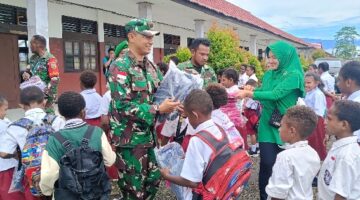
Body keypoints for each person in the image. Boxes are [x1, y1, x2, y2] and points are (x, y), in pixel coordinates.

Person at [107, 18, 180, 199]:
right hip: (130, 142)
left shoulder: (151, 66)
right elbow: (123, 105)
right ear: (131, 37)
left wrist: (175, 105)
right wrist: (158, 109)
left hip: (150, 139)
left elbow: (160, 94)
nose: (150, 40)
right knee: (133, 191)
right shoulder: (120, 66)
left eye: (152, 36)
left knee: (152, 184)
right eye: (146, 36)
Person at [236, 41, 305, 200]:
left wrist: (250, 94)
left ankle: (284, 195)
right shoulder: (268, 74)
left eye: (275, 57)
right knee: (267, 163)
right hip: (267, 123)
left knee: (286, 165)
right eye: (269, 57)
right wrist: (251, 90)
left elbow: (275, 94)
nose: (270, 61)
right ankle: (264, 196)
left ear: (285, 57)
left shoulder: (294, 75)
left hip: (286, 125)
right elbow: (264, 92)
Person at [39, 91, 116, 198]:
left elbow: (49, 175)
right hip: (95, 194)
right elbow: (110, 161)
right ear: (83, 111)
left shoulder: (54, 139)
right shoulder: (97, 132)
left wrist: (46, 191)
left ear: (60, 113)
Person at [159, 89, 227, 199]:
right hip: (219, 188)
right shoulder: (219, 128)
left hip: (203, 194)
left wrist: (167, 176)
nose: (188, 120)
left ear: (195, 115)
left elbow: (191, 182)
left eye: (188, 117)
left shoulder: (197, 140)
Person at [0, 86, 64, 200]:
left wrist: (17, 155)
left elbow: (3, 153)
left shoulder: (15, 127)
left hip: (32, 177)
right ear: (44, 102)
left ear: (21, 105)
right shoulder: (57, 120)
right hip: (58, 173)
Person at [266, 106, 320, 200]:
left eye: (281, 125)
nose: (279, 129)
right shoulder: (313, 153)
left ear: (292, 130)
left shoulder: (285, 157)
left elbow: (278, 193)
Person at [318, 100, 360, 200]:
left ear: (344, 125)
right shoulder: (341, 146)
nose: (324, 122)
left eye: (329, 119)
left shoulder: (346, 156)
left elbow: (340, 195)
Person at [0, 96, 25, 199]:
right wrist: (17, 155)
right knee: (12, 195)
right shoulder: (3, 124)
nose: (6, 112)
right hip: (7, 166)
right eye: (5, 109)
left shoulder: (4, 121)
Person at [29, 35, 60, 113]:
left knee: (47, 116)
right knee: (36, 115)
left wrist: (46, 92)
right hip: (34, 93)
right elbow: (30, 70)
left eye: (31, 43)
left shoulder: (50, 59)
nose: (30, 46)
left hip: (46, 96)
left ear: (38, 44)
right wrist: (27, 74)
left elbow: (55, 79)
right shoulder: (33, 58)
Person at [220, 68, 247, 149]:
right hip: (228, 121)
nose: (222, 82)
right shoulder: (227, 89)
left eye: (224, 80)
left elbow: (230, 96)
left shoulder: (236, 91)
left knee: (234, 143)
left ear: (231, 80)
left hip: (234, 122)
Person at [304, 72, 327, 160]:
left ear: (317, 83)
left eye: (309, 83)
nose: (306, 85)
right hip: (311, 120)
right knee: (311, 142)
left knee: (316, 142)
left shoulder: (318, 94)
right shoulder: (310, 92)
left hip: (316, 121)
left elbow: (318, 111)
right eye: (305, 83)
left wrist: (304, 108)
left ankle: (316, 160)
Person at [336, 61, 360, 138]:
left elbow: (354, 138)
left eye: (339, 80)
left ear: (348, 82)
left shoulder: (354, 106)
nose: (337, 84)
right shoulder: (349, 100)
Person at [243, 79, 261, 156]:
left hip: (251, 117)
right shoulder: (257, 96)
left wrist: (245, 101)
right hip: (257, 116)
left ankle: (253, 150)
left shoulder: (251, 98)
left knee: (252, 133)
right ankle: (257, 147)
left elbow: (246, 106)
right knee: (256, 132)